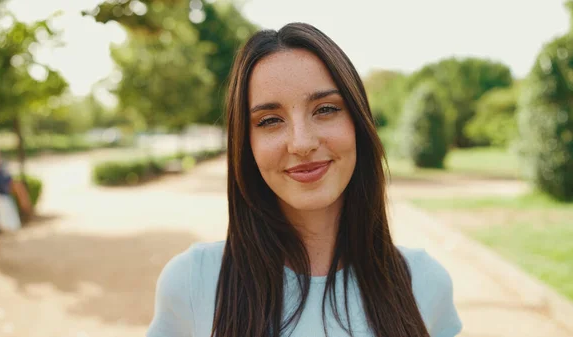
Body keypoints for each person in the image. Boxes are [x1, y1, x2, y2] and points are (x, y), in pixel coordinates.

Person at [147, 23, 462, 337]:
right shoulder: (191, 283)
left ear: (358, 124)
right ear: (246, 146)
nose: (301, 143)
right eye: (270, 120)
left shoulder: (425, 282)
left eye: (325, 109)